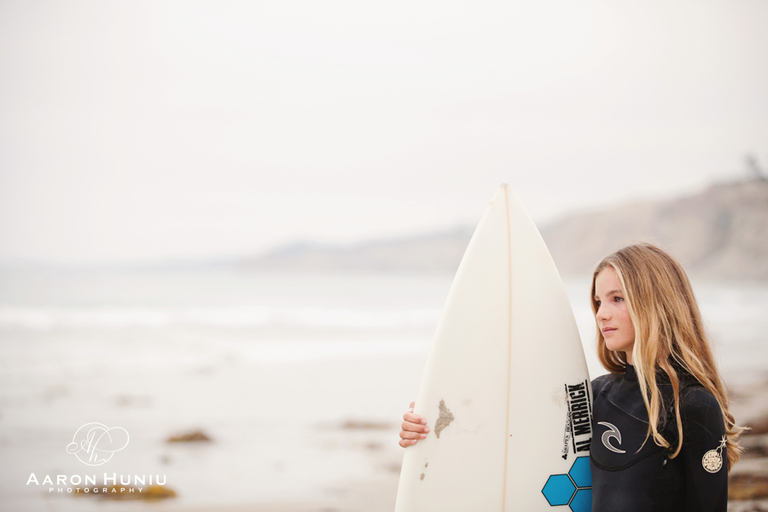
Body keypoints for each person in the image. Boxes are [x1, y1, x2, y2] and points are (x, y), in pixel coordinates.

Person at [398, 243, 743, 512]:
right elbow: (510, 438)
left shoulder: (694, 405)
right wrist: (434, 426)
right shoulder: (594, 395)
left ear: (657, 303)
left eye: (617, 299)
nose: (602, 314)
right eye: (597, 301)